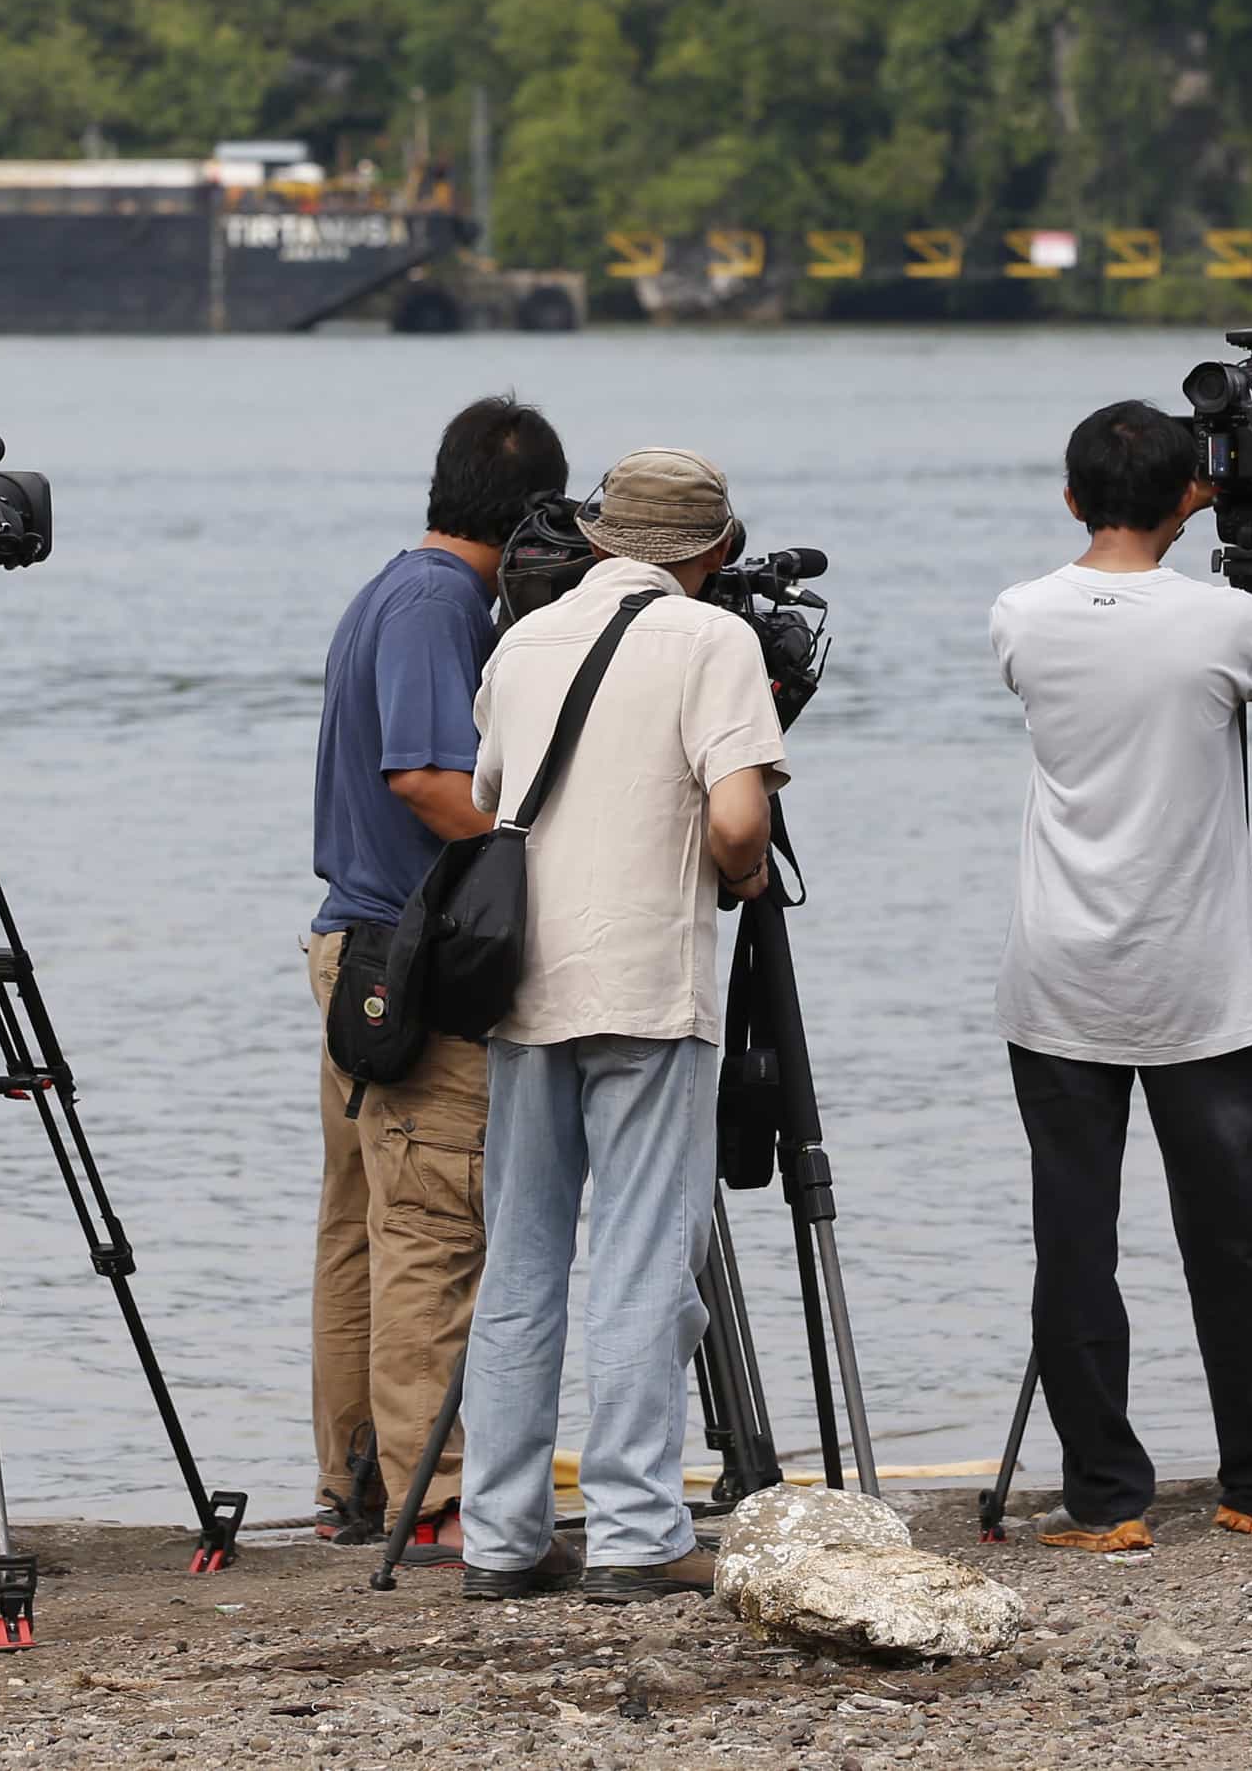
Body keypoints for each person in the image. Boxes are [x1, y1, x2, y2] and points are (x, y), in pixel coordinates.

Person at [987, 399, 1252, 1554]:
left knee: (1073, 1242)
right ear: (1193, 494)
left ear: (1069, 498)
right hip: (1196, 977)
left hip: (1058, 976)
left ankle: (1104, 1500)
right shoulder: (1225, 621)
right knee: (1232, 1239)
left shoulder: (1019, 616)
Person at [454, 449, 785, 1604]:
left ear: (599, 538)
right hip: (648, 983)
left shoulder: (520, 640)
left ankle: (499, 1536)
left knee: (521, 1264)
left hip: (524, 989)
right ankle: (638, 1533)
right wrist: (733, 875)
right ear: (715, 551)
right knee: (642, 1260)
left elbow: (492, 800)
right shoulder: (714, 642)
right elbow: (739, 818)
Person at [303, 393, 569, 1558]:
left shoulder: (397, 588)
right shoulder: (435, 603)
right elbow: (421, 775)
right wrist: (531, 855)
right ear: (528, 521)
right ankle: (438, 1496)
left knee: (366, 1225)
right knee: (431, 1227)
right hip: (405, 959)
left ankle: (359, 1477)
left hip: (364, 947)